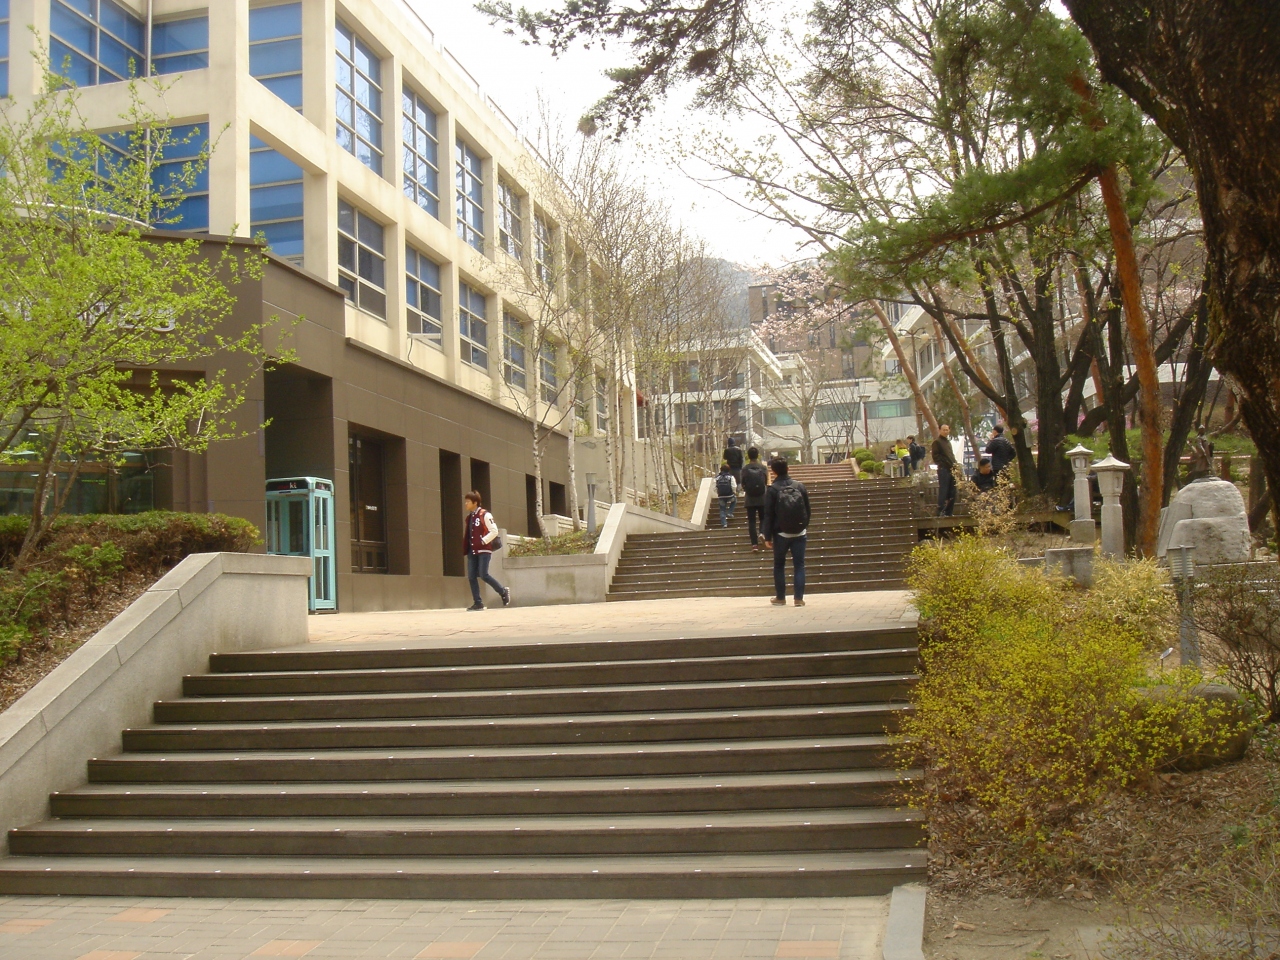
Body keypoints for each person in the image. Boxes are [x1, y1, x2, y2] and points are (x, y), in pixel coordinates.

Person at [762, 458, 811, 607]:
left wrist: (767, 536)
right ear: (788, 469)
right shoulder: (799, 486)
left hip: (780, 534)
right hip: (800, 533)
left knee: (779, 565)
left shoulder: (772, 490)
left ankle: (781, 597)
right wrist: (803, 526)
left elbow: (768, 515)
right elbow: (807, 510)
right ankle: (798, 599)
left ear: (773, 471)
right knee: (799, 565)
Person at [463, 490, 510, 611]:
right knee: (471, 576)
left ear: (475, 502)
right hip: (472, 550)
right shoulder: (470, 517)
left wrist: (483, 541)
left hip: (484, 550)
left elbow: (494, 531)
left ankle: (502, 591)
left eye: (468, 501)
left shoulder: (485, 515)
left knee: (483, 574)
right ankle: (478, 602)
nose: (466, 504)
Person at [741, 446, 770, 551]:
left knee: (752, 521)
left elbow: (743, 483)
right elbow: (766, 482)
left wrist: (747, 490)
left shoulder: (745, 468)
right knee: (763, 518)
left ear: (748, 456)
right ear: (757, 456)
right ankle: (762, 532)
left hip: (750, 498)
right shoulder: (763, 468)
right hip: (762, 497)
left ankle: (754, 545)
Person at [932, 425, 957, 517]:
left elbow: (951, 455)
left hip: (952, 468)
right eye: (944, 430)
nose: (946, 431)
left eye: (947, 430)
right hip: (943, 469)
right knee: (944, 489)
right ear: (940, 430)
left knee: (953, 491)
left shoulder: (948, 442)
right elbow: (935, 456)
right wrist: (943, 463)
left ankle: (949, 511)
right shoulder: (937, 442)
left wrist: (955, 464)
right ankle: (941, 510)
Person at [715, 461, 738, 527]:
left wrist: (718, 492)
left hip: (721, 496)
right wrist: (734, 492)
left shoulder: (717, 478)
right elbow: (734, 486)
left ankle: (724, 524)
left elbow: (714, 487)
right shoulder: (731, 477)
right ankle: (730, 512)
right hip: (730, 495)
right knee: (734, 500)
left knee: (722, 509)